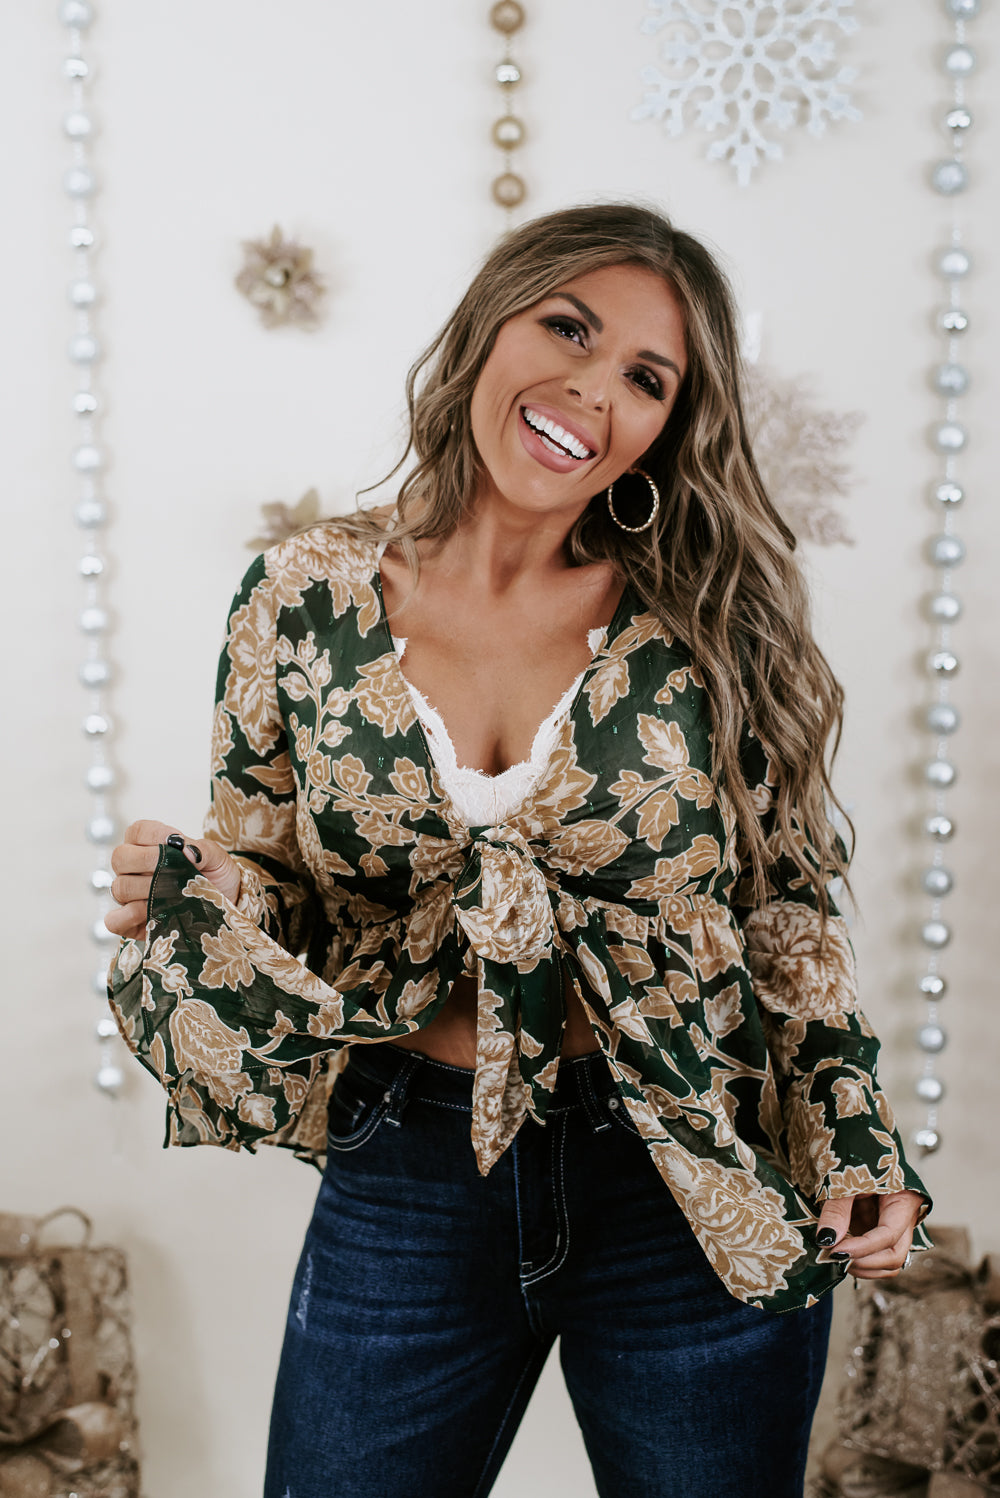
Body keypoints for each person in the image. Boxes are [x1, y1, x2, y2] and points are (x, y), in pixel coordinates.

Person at [106, 203, 931, 1498]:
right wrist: (209, 888)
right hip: (408, 1167)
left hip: (684, 1169)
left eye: (647, 379)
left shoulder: (711, 617)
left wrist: (849, 1128)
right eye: (570, 329)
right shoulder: (299, 595)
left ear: (668, 427)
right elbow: (278, 877)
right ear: (492, 324)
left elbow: (784, 905)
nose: (593, 391)